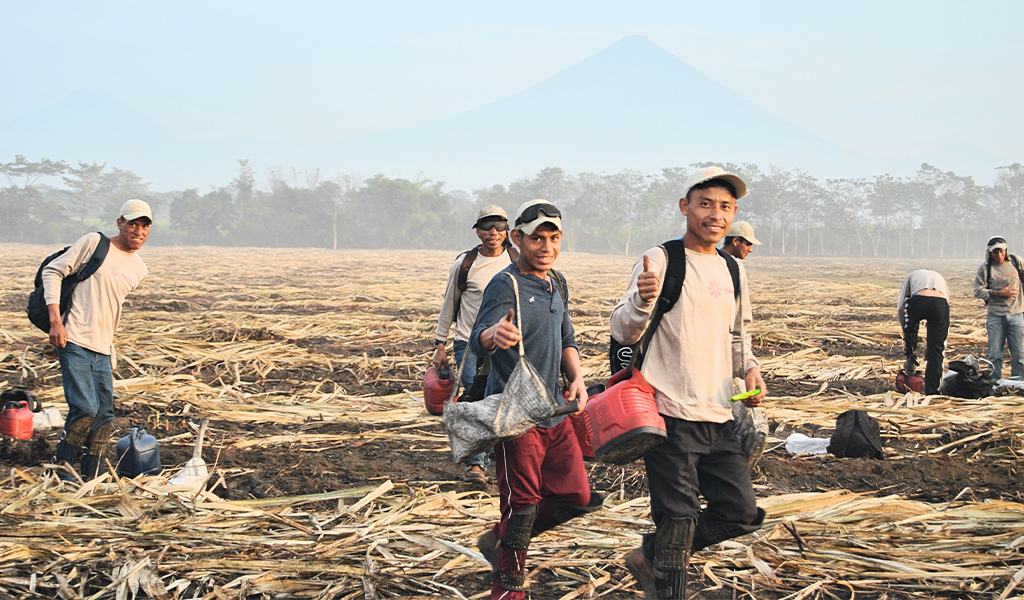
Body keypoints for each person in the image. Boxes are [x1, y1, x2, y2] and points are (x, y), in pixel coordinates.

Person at [610, 167, 766, 599]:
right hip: (669, 411)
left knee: (741, 511)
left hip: (719, 413)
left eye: (726, 207)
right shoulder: (661, 259)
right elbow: (622, 330)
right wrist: (642, 301)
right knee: (677, 519)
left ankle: (648, 556)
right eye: (706, 204)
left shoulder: (733, 269)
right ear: (685, 207)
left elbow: (739, 334)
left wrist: (749, 370)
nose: (716, 214)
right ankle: (667, 585)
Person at [470, 199, 602, 600]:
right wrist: (494, 336)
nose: (546, 246)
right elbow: (479, 338)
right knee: (522, 505)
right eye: (537, 238)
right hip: (516, 414)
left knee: (577, 497)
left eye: (554, 238)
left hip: (555, 411)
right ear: (517, 238)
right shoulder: (504, 284)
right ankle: (508, 590)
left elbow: (567, 339)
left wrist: (577, 377)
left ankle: (499, 539)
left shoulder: (556, 282)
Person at [43, 199, 152, 481]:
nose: (138, 231)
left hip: (102, 348)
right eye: (132, 223)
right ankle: (61, 472)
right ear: (120, 223)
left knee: (104, 416)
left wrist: (109, 347)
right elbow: (53, 272)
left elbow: (107, 305)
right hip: (74, 339)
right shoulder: (94, 243)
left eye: (144, 226)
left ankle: (91, 479)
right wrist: (56, 322)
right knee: (85, 410)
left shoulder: (139, 269)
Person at [433, 205, 517, 483]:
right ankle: (475, 464)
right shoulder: (466, 264)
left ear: (508, 231)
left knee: (500, 400)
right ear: (478, 231)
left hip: (505, 345)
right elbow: (449, 304)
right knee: (473, 399)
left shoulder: (516, 261)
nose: (493, 232)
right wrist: (440, 344)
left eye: (499, 226)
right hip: (468, 344)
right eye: (487, 226)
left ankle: (489, 454)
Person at [973, 236, 1024, 380]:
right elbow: (977, 290)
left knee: (1020, 355)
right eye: (995, 252)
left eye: (1001, 251)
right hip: (995, 316)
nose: (999, 255)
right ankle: (994, 383)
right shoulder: (985, 268)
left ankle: (1018, 383)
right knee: (995, 356)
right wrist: (998, 293)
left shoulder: (1017, 263)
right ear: (989, 252)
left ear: (1006, 250)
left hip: (1017, 314)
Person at [897, 270, 950, 394]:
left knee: (910, 340)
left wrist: (906, 332)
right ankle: (932, 390)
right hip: (940, 304)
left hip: (918, 300)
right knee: (936, 353)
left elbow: (901, 307)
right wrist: (933, 346)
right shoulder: (940, 277)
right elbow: (945, 304)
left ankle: (911, 362)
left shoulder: (910, 276)